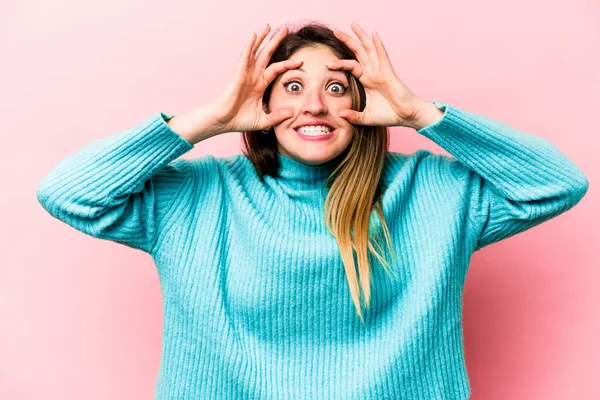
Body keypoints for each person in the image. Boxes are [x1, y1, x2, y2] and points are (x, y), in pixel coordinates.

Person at [36, 21, 589, 400]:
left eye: (336, 87)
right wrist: (210, 119)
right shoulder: (196, 196)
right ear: (262, 103)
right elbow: (68, 193)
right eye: (292, 86)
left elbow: (556, 183)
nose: (314, 105)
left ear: (364, 102)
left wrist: (419, 112)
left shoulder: (434, 191)